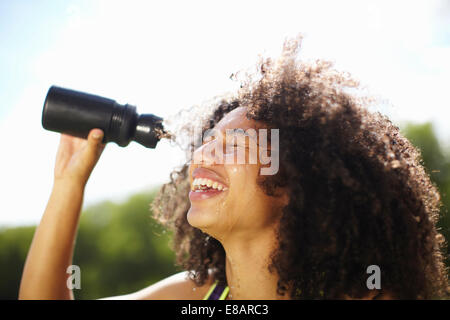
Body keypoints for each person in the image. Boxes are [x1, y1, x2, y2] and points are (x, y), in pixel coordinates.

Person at [19, 36, 449, 300]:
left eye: (236, 145)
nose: (201, 156)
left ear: (297, 183)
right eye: (207, 143)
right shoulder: (198, 295)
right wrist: (68, 183)